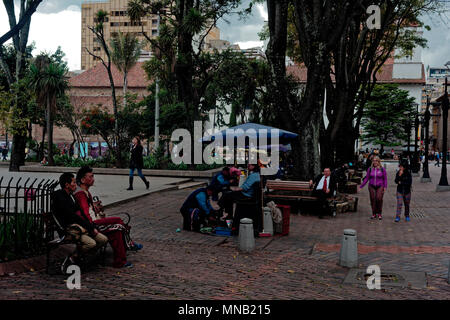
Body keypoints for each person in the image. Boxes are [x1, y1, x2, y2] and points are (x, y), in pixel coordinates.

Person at [74, 166, 137, 268]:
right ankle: (129, 245)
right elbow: (85, 213)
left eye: (93, 176)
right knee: (118, 221)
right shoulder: (81, 193)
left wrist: (95, 207)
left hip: (94, 221)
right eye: (90, 177)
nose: (93, 179)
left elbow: (87, 208)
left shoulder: (86, 192)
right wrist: (92, 225)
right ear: (82, 180)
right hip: (92, 224)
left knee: (116, 231)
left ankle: (121, 260)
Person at [51, 173, 108, 271]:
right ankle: (74, 257)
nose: (76, 185)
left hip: (81, 227)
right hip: (71, 229)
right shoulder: (60, 197)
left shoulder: (71, 196)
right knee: (91, 243)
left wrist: (91, 226)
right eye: (73, 182)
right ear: (67, 185)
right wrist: (90, 228)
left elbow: (81, 214)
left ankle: (81, 258)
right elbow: (72, 217)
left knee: (103, 239)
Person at [360, 156, 387, 220]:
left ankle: (379, 213)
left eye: (376, 161)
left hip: (380, 186)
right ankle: (374, 213)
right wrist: (361, 186)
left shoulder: (382, 169)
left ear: (379, 161)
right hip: (371, 186)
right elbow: (367, 178)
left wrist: (385, 187)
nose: (375, 162)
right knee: (372, 199)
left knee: (379, 198)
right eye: (374, 161)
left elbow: (385, 179)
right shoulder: (370, 169)